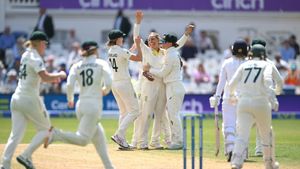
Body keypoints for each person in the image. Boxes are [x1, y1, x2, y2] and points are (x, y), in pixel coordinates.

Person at [43, 41, 115, 169]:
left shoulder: (77, 66)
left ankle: (109, 167)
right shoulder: (101, 63)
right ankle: (56, 134)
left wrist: (70, 99)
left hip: (80, 104)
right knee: (83, 140)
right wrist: (105, 90)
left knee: (98, 135)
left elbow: (70, 85)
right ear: (95, 50)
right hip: (93, 105)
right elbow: (109, 80)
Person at [0, 31, 66, 169]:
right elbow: (45, 77)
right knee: (47, 130)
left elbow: (39, 78)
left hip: (17, 98)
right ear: (39, 43)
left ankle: (4, 165)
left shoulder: (25, 54)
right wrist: (60, 74)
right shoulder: (35, 58)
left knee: (15, 135)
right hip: (29, 98)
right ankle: (26, 155)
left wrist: (52, 78)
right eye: (44, 44)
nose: (45, 47)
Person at [133, 10, 193, 149]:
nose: (151, 42)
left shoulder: (165, 52)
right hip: (149, 86)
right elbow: (136, 37)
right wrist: (138, 22)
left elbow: (177, 44)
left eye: (153, 40)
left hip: (163, 87)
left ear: (159, 42)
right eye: (149, 40)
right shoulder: (146, 50)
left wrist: (186, 34)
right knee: (146, 115)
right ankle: (142, 142)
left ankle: (155, 141)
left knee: (160, 116)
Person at [229, 44, 280, 169]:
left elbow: (231, 84)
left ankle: (236, 162)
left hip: (243, 103)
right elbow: (271, 81)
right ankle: (269, 163)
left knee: (242, 134)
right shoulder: (267, 64)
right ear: (263, 55)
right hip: (261, 102)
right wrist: (274, 96)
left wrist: (233, 95)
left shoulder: (244, 65)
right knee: (266, 134)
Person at [143, 33, 186, 149]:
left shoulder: (171, 55)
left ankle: (178, 141)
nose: (162, 43)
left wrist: (149, 69)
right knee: (173, 115)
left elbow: (162, 73)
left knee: (173, 115)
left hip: (174, 86)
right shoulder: (171, 52)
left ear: (170, 43)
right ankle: (176, 140)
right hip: (173, 86)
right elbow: (179, 44)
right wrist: (186, 35)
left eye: (164, 41)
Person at [209, 39, 248, 162]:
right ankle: (241, 152)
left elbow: (221, 82)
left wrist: (217, 96)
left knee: (229, 126)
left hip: (228, 97)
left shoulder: (227, 63)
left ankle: (231, 149)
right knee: (242, 126)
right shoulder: (249, 63)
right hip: (244, 98)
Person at [107, 29, 142, 149]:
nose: (123, 39)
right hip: (124, 83)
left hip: (115, 83)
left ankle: (122, 141)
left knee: (124, 112)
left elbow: (123, 56)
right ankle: (119, 134)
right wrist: (138, 46)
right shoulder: (121, 51)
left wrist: (130, 50)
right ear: (117, 39)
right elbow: (139, 58)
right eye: (121, 37)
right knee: (135, 111)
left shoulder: (110, 50)